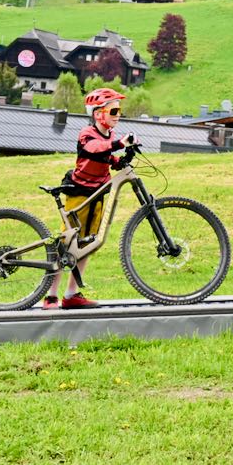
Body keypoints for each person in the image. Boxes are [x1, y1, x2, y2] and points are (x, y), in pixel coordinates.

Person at [41, 87, 136, 310]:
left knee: (87, 245)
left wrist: (119, 160)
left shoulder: (110, 135)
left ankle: (72, 294)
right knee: (66, 246)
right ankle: (51, 295)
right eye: (113, 111)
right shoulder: (87, 133)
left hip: (99, 194)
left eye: (119, 110)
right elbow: (93, 149)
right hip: (80, 193)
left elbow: (105, 156)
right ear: (98, 114)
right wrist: (119, 144)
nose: (118, 115)